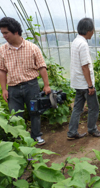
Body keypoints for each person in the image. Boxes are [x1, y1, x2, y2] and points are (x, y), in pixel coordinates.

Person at [0, 17, 51, 145]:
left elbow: (42, 67)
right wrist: (4, 89)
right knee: (16, 116)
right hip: (13, 89)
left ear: (16, 32)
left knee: (35, 111)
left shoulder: (32, 48)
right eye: (2, 33)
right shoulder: (2, 50)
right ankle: (20, 140)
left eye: (6, 33)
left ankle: (36, 136)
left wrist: (46, 85)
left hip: (31, 86)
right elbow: (2, 70)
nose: (4, 36)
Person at [67, 18, 100, 140]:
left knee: (77, 108)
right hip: (84, 83)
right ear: (88, 30)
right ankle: (92, 129)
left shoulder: (75, 41)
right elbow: (85, 66)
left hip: (77, 82)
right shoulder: (83, 44)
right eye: (92, 30)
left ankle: (72, 132)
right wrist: (90, 85)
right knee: (94, 107)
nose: (93, 32)